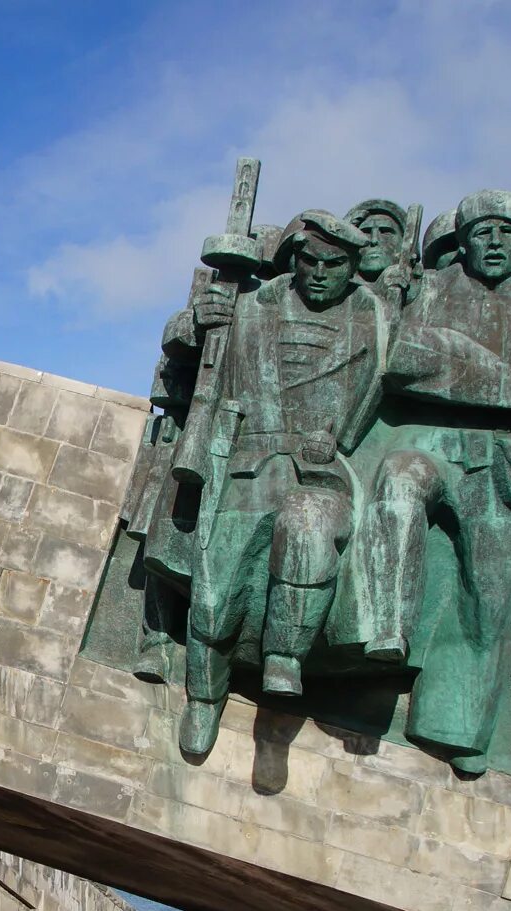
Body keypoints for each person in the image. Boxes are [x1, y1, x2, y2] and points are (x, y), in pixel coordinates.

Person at [353, 188, 511, 765]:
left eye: (507, 233)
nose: (494, 243)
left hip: (507, 462)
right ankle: (384, 628)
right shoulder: (430, 289)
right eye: (482, 232)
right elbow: (402, 363)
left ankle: (456, 724)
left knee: (490, 593)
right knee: (398, 485)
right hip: (426, 440)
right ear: (463, 240)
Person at [158, 210, 389, 752]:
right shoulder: (253, 303)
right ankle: (203, 698)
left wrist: (336, 435)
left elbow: (381, 382)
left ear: (352, 267)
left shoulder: (369, 316)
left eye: (335, 265)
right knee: (213, 599)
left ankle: (284, 655)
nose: (320, 273)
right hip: (247, 462)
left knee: (308, 529)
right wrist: (197, 321)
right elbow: (182, 341)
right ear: (293, 259)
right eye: (310, 261)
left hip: (321, 471)